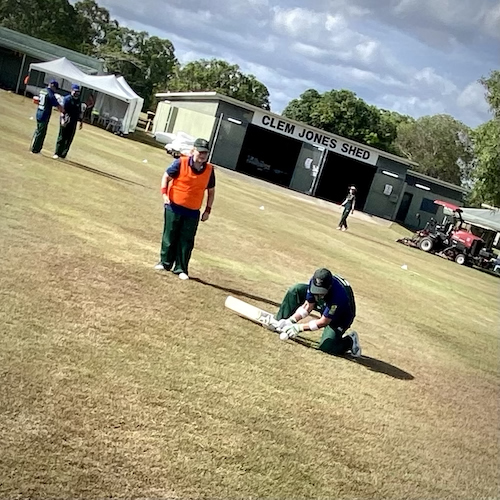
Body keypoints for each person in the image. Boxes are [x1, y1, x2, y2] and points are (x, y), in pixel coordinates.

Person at [154, 138, 216, 280]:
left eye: (205, 153)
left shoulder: (209, 170)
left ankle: (181, 268)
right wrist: (164, 194)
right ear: (193, 151)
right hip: (174, 206)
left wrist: (208, 210)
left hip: (192, 211)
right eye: (200, 152)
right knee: (169, 235)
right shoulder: (180, 163)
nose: (202, 155)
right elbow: (166, 177)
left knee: (186, 240)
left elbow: (211, 192)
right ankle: (164, 263)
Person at [274, 268, 361, 357]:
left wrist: (298, 328)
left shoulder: (338, 297)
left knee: (327, 347)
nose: (317, 294)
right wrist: (291, 320)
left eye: (321, 292)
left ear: (329, 287)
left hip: (341, 316)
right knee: (296, 290)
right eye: (316, 290)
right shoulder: (315, 281)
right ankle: (279, 323)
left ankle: (350, 341)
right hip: (326, 301)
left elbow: (323, 321)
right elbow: (308, 305)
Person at [30, 80, 64, 154]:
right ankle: (35, 149)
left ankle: (33, 146)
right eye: (55, 88)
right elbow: (56, 104)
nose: (55, 90)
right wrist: (63, 111)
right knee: (41, 133)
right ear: (52, 86)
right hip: (44, 114)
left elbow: (37, 100)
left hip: (39, 112)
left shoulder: (42, 90)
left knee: (38, 131)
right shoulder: (50, 93)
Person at [53, 84, 83, 159]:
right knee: (62, 137)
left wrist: (81, 122)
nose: (76, 93)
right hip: (66, 120)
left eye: (78, 92)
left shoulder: (78, 101)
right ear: (72, 91)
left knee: (69, 139)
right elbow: (62, 110)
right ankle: (57, 153)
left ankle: (63, 155)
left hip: (73, 122)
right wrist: (62, 120)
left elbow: (79, 112)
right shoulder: (67, 99)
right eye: (75, 91)